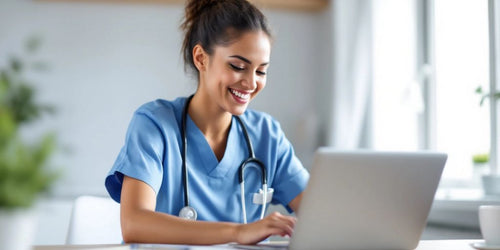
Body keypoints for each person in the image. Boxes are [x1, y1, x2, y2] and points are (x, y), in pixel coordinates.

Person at [105, 0, 309, 245]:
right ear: (201, 58)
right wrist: (239, 232)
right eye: (238, 66)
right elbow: (134, 224)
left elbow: (324, 215)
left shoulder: (267, 134)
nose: (251, 83)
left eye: (261, 71)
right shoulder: (154, 124)